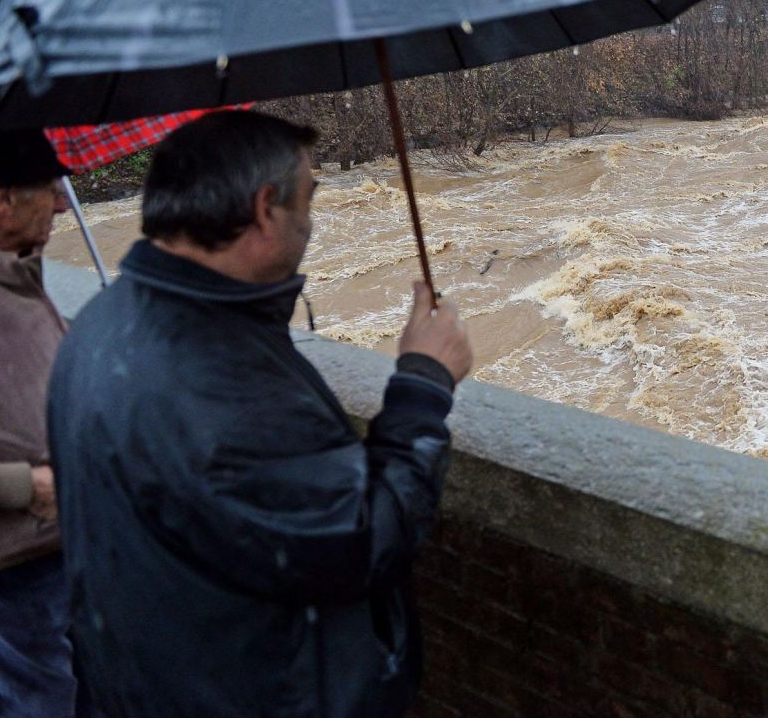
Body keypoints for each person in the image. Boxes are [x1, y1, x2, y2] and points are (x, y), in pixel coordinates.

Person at [48, 110, 472, 718]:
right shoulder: (227, 392)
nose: (311, 223)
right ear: (265, 208)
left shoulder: (98, 324)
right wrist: (425, 384)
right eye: (308, 200)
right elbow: (363, 538)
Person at [0, 129, 81, 717]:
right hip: (7, 580)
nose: (62, 204)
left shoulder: (19, 277)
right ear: (1, 200)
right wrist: (28, 486)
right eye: (48, 190)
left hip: (54, 558)